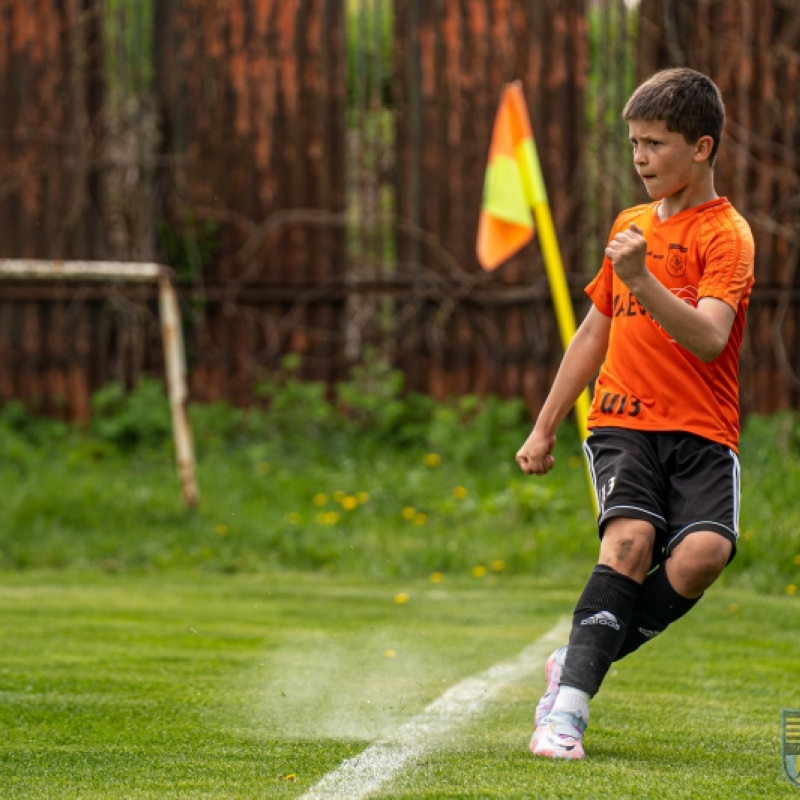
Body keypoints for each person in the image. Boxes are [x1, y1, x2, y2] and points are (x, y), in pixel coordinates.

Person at [515, 67, 755, 760]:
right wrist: (545, 424)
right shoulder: (628, 226)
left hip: (705, 431)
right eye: (634, 144)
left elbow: (710, 338)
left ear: (701, 148)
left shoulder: (727, 236)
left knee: (703, 555)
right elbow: (596, 331)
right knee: (629, 545)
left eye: (655, 143)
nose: (641, 158)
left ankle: (578, 659)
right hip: (623, 421)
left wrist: (643, 277)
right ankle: (566, 716)